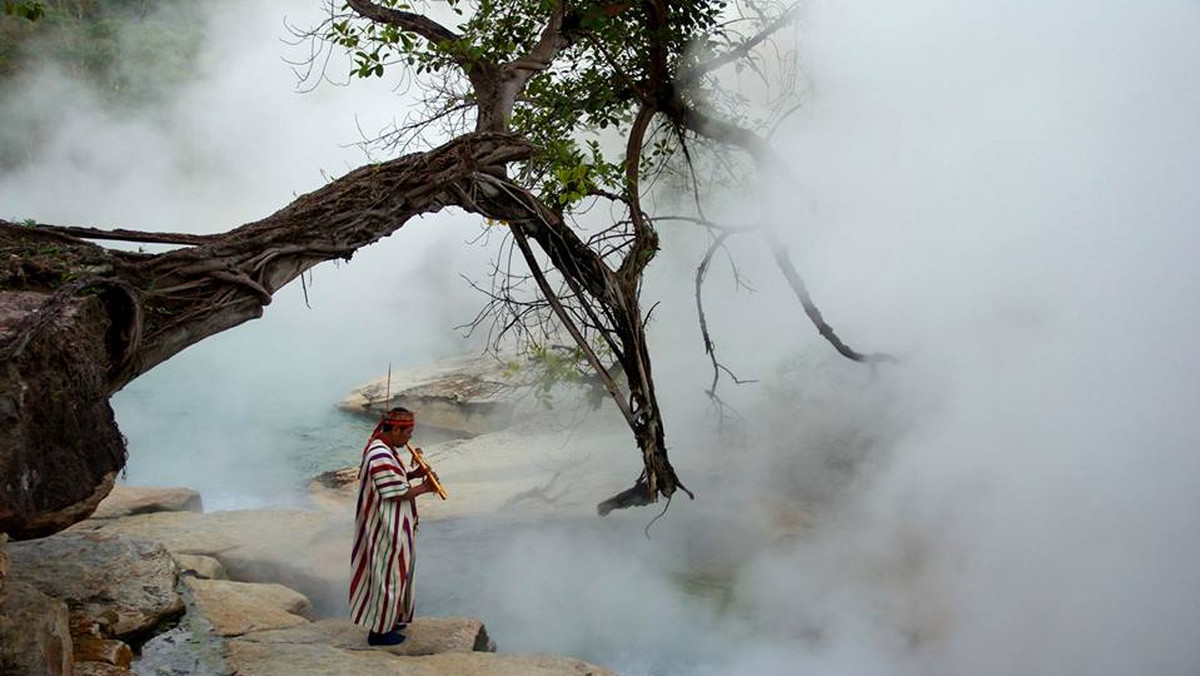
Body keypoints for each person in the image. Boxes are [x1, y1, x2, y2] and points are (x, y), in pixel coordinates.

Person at [348, 407, 438, 646]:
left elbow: (394, 480)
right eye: (408, 432)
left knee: (399, 573)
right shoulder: (379, 455)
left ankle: (392, 618)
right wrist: (426, 487)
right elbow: (395, 493)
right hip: (385, 527)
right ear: (395, 429)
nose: (410, 437)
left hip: (396, 524)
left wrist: (414, 474)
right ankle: (379, 631)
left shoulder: (385, 449)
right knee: (388, 576)